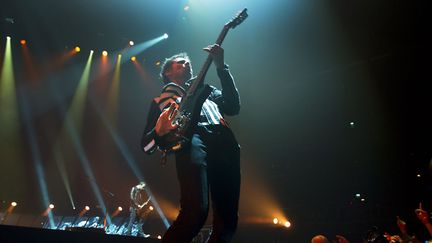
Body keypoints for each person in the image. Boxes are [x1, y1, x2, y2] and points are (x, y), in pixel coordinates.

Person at [141, 44, 241, 243]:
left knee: (228, 220)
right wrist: (159, 132)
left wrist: (221, 67)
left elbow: (233, 106)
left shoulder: (207, 90)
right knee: (195, 213)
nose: (186, 63)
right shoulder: (160, 100)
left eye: (187, 62)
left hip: (224, 140)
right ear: (167, 72)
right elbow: (147, 146)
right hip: (192, 140)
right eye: (179, 63)